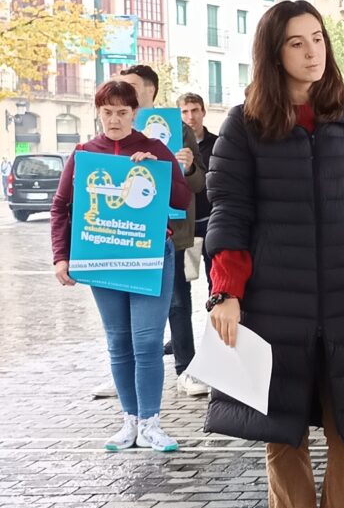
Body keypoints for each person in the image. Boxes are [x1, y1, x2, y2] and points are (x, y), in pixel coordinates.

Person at [204, 0, 344, 508]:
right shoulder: (244, 126)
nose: (312, 50)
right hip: (274, 306)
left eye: (317, 38)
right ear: (273, 51)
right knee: (283, 443)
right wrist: (226, 290)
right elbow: (229, 211)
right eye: (297, 42)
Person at [51, 80, 192, 451]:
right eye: (107, 112)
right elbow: (61, 208)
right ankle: (129, 421)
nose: (114, 119)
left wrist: (159, 170)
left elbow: (182, 198)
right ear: (98, 113)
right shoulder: (83, 154)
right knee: (118, 343)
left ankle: (151, 423)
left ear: (134, 114)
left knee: (146, 341)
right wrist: (60, 256)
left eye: (122, 112)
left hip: (150, 256)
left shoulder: (154, 149)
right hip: (103, 256)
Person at [119, 64, 209, 399]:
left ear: (150, 91)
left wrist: (186, 167)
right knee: (125, 301)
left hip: (172, 228)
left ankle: (186, 369)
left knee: (176, 301)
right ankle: (123, 372)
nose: (123, 90)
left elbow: (199, 182)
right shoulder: (117, 126)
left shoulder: (179, 130)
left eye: (130, 85)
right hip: (127, 230)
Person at [178, 93, 218, 293]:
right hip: (184, 224)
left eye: (194, 110)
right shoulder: (173, 145)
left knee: (217, 281)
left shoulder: (219, 143)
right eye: (184, 111)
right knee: (182, 284)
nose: (190, 116)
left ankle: (216, 323)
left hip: (211, 221)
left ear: (203, 112)